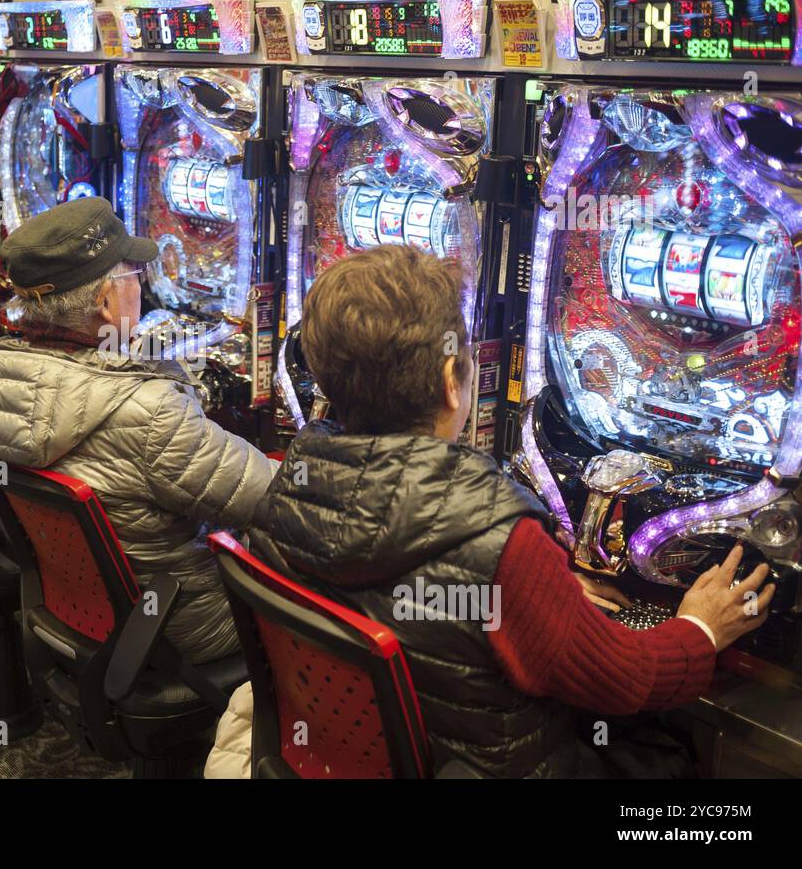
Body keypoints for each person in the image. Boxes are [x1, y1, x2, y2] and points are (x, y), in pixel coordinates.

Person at [206, 245, 774, 778]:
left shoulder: (286, 489)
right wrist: (700, 627)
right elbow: (628, 679)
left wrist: (545, 594)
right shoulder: (496, 537)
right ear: (454, 386)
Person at [0, 197, 276, 664]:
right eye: (135, 277)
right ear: (104, 302)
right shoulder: (151, 411)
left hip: (75, 601)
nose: (143, 288)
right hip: (184, 622)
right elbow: (278, 500)